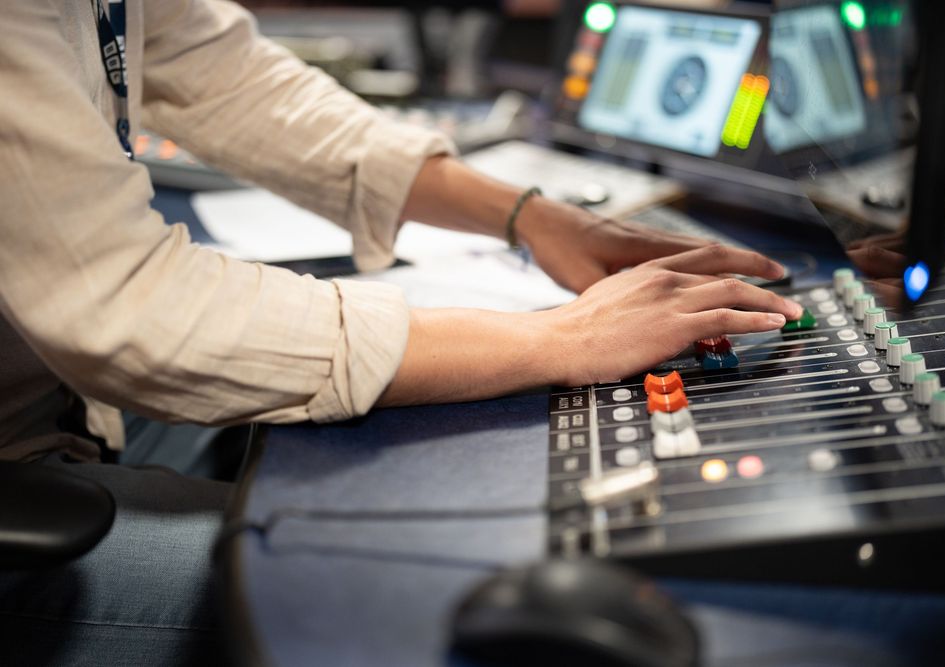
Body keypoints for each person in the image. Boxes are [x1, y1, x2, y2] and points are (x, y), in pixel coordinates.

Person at [0, 0, 801, 664]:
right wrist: (560, 339)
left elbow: (239, 87)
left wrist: (532, 218)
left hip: (61, 405)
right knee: (384, 589)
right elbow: (138, 311)